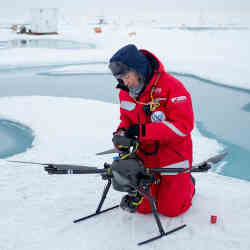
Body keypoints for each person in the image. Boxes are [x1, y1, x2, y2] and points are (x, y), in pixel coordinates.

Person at [109, 44, 195, 217]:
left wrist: (142, 131)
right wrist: (121, 135)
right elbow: (126, 120)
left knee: (171, 210)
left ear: (138, 70)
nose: (124, 82)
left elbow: (183, 126)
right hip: (145, 157)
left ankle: (189, 183)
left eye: (126, 76)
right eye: (120, 78)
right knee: (144, 208)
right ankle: (168, 185)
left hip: (173, 155)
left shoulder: (172, 86)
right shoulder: (125, 92)